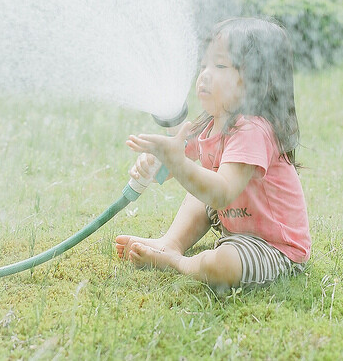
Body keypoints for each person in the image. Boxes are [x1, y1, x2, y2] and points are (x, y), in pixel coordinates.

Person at [116, 17, 311, 292]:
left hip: (274, 247)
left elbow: (221, 194)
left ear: (254, 80)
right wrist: (155, 165)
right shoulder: (212, 123)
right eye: (204, 65)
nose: (205, 74)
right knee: (200, 183)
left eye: (219, 66)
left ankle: (175, 261)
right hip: (238, 228)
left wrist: (177, 160)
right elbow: (177, 166)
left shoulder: (253, 130)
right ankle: (170, 242)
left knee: (221, 264)